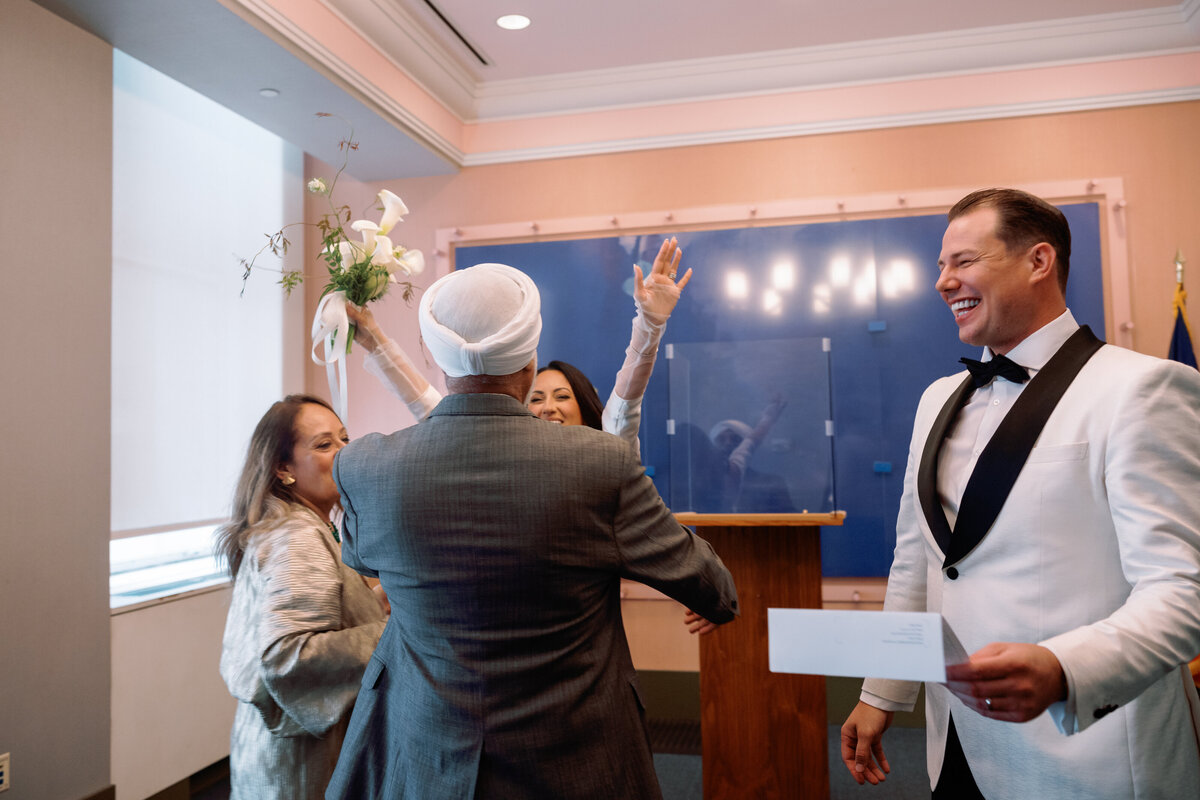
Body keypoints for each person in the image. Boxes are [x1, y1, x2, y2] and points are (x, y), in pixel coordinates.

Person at [326, 262, 739, 799]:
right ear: (529, 360)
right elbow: (715, 592)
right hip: (575, 759)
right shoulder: (601, 465)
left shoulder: (364, 467)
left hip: (423, 753)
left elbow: (360, 558)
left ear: (437, 358)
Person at [840, 188, 1200, 798]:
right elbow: (920, 563)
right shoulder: (935, 399)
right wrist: (882, 691)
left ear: (1039, 261)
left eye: (964, 261)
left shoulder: (1142, 388)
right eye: (941, 265)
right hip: (955, 741)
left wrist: (1065, 669)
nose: (943, 282)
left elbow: (1182, 588)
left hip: (1089, 752)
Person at [348, 236, 690, 449]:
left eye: (562, 396)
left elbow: (625, 407)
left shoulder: (604, 455)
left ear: (586, 410)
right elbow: (428, 407)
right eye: (537, 398)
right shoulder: (498, 451)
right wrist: (374, 340)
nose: (548, 407)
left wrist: (650, 325)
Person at [216, 395, 387, 800]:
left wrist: (388, 598)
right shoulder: (298, 537)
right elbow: (288, 655)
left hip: (271, 751)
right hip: (298, 764)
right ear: (283, 468)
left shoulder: (293, 522)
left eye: (345, 439)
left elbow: (327, 611)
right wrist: (395, 634)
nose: (345, 453)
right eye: (324, 445)